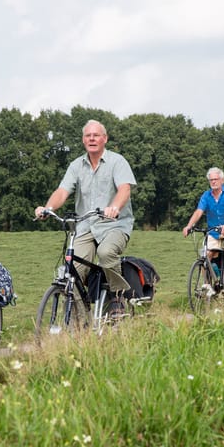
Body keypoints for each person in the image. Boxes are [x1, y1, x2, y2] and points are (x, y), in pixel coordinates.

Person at [34, 120, 136, 315]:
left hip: (114, 225)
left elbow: (125, 189)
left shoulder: (117, 161)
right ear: (83, 140)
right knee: (73, 270)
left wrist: (114, 207)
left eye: (96, 135)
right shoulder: (76, 166)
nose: (92, 138)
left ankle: (117, 298)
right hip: (85, 226)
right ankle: (80, 322)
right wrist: (47, 208)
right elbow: (62, 191)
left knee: (106, 253)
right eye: (88, 135)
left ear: (104, 139)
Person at [181, 167, 224, 288]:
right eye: (211, 180)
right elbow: (199, 211)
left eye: (216, 179)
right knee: (205, 256)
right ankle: (207, 284)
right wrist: (189, 226)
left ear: (222, 180)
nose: (213, 182)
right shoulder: (206, 196)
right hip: (214, 231)